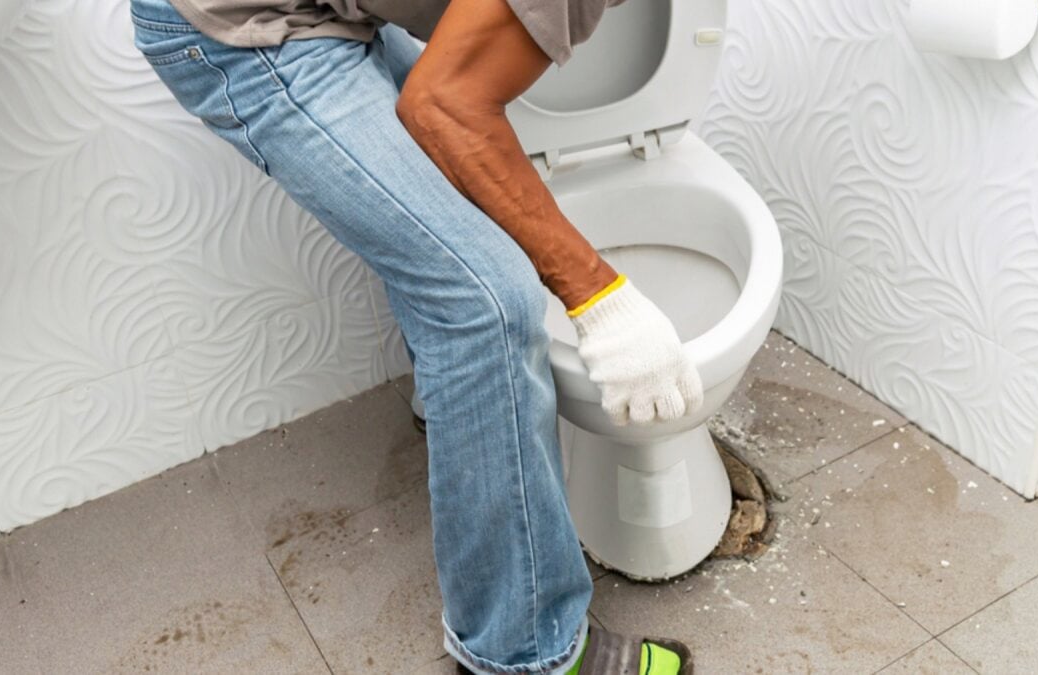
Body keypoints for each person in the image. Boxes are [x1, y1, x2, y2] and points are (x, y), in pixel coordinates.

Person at [129, 0, 700, 672]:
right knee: (486, 303)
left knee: (452, 229)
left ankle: (472, 413)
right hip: (247, 30)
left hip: (324, 11)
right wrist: (603, 301)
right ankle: (525, 654)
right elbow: (446, 106)